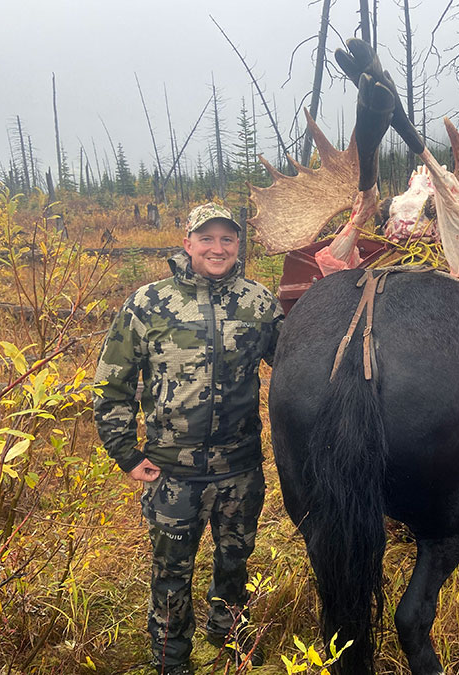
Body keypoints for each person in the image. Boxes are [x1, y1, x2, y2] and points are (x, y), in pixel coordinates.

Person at [94, 203, 282, 674]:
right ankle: (171, 660)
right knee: (171, 575)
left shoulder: (258, 303)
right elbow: (111, 383)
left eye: (227, 240)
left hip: (240, 469)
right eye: (207, 239)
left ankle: (231, 644)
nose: (217, 249)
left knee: (235, 564)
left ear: (238, 245)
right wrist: (125, 453)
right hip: (172, 474)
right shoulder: (148, 303)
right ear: (188, 242)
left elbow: (298, 362)